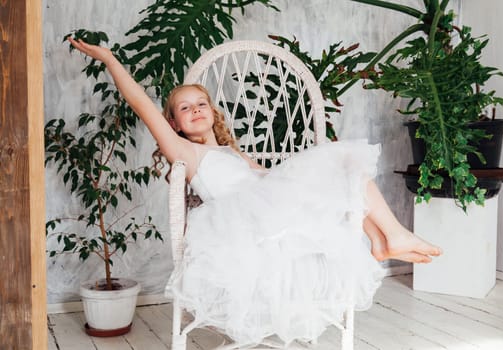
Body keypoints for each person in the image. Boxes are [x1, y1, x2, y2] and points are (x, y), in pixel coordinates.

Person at [68, 37, 442, 345]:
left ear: (213, 112)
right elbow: (139, 102)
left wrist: (301, 180)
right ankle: (388, 236)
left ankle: (381, 238)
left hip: (267, 201)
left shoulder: (229, 150)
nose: (196, 110)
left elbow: (264, 177)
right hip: (242, 217)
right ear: (174, 124)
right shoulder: (184, 151)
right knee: (341, 160)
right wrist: (109, 59)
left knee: (342, 168)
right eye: (185, 108)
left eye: (202, 104)